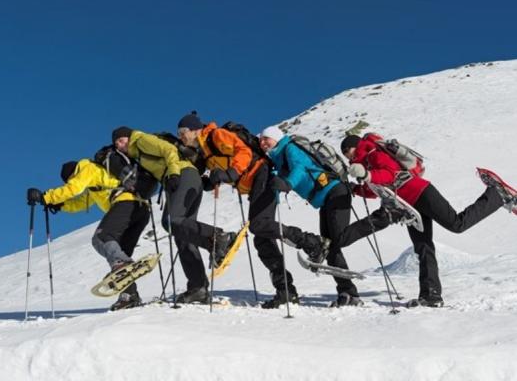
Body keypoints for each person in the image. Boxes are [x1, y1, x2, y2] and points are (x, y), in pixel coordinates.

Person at [177, 112, 332, 309]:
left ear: (195, 129)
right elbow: (223, 170)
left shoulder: (216, 135)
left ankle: (313, 242)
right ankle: (286, 291)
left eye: (183, 132)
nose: (181, 136)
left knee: (260, 224)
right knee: (261, 237)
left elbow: (243, 152)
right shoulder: (206, 151)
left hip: (262, 174)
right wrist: (211, 181)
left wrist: (230, 173)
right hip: (254, 182)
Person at [341, 134, 517, 307]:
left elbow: (390, 174)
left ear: (355, 146)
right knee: (423, 247)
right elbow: (377, 188)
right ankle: (431, 295)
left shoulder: (373, 153)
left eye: (347, 150)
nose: (347, 155)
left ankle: (496, 195)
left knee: (456, 224)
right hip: (407, 206)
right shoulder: (365, 164)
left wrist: (367, 175)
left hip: (421, 193)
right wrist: (357, 188)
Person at [260, 126, 403, 307]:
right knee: (329, 247)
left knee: (339, 239)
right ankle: (347, 293)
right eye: (261, 140)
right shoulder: (278, 158)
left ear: (276, 138)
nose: (263, 143)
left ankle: (386, 216)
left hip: (335, 191)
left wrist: (287, 183)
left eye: (267, 138)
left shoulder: (289, 147)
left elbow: (300, 168)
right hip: (325, 199)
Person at [112, 126, 237, 304]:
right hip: (189, 179)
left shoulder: (139, 139)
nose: (120, 145)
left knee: (171, 221)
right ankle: (198, 287)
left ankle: (218, 237)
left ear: (128, 136)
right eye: (116, 143)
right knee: (183, 235)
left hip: (182, 175)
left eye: (121, 140)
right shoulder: (137, 154)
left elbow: (168, 149)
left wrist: (172, 174)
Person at [27, 157, 150, 310]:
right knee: (119, 251)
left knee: (101, 238)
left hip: (126, 203)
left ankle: (123, 266)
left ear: (73, 174)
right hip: (140, 210)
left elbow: (73, 189)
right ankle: (129, 295)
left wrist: (45, 197)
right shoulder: (94, 184)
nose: (73, 181)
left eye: (71, 179)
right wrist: (60, 205)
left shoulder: (87, 168)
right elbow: (80, 202)